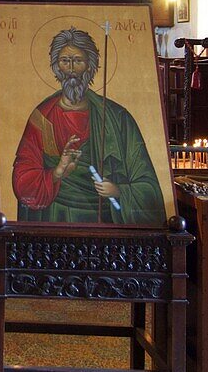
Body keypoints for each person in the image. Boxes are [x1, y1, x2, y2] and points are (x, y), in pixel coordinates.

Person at [12, 27, 166, 225]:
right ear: (56, 66)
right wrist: (58, 172)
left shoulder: (117, 118)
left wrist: (119, 191)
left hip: (106, 219)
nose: (72, 69)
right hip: (55, 218)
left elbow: (148, 184)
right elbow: (22, 179)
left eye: (78, 61)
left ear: (90, 65)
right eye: (65, 61)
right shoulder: (42, 117)